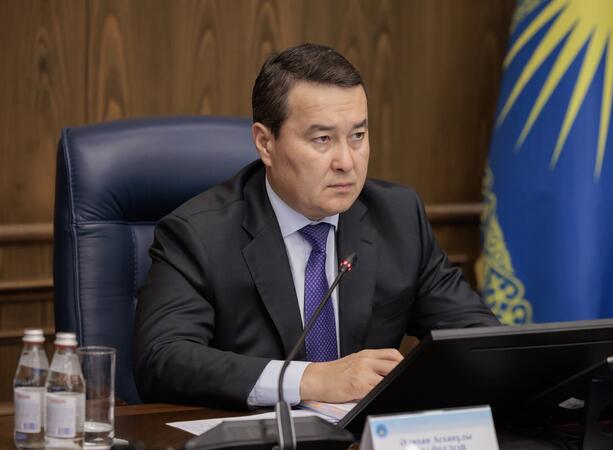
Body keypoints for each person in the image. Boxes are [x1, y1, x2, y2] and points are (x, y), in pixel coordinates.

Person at [133, 43, 500, 410]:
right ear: (265, 143)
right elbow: (162, 360)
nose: (346, 162)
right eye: (322, 139)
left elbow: (477, 339)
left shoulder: (397, 217)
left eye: (357, 136)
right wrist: (312, 379)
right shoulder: (199, 235)